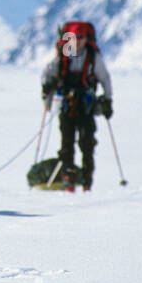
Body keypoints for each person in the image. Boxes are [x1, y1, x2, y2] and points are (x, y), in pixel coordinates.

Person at [41, 20, 113, 191]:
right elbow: (47, 74)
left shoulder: (93, 57)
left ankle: (87, 179)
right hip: (67, 104)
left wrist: (108, 100)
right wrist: (47, 88)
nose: (78, 40)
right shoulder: (64, 55)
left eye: (81, 37)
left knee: (87, 142)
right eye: (74, 37)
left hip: (86, 105)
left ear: (87, 39)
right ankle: (68, 177)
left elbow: (105, 79)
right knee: (67, 142)